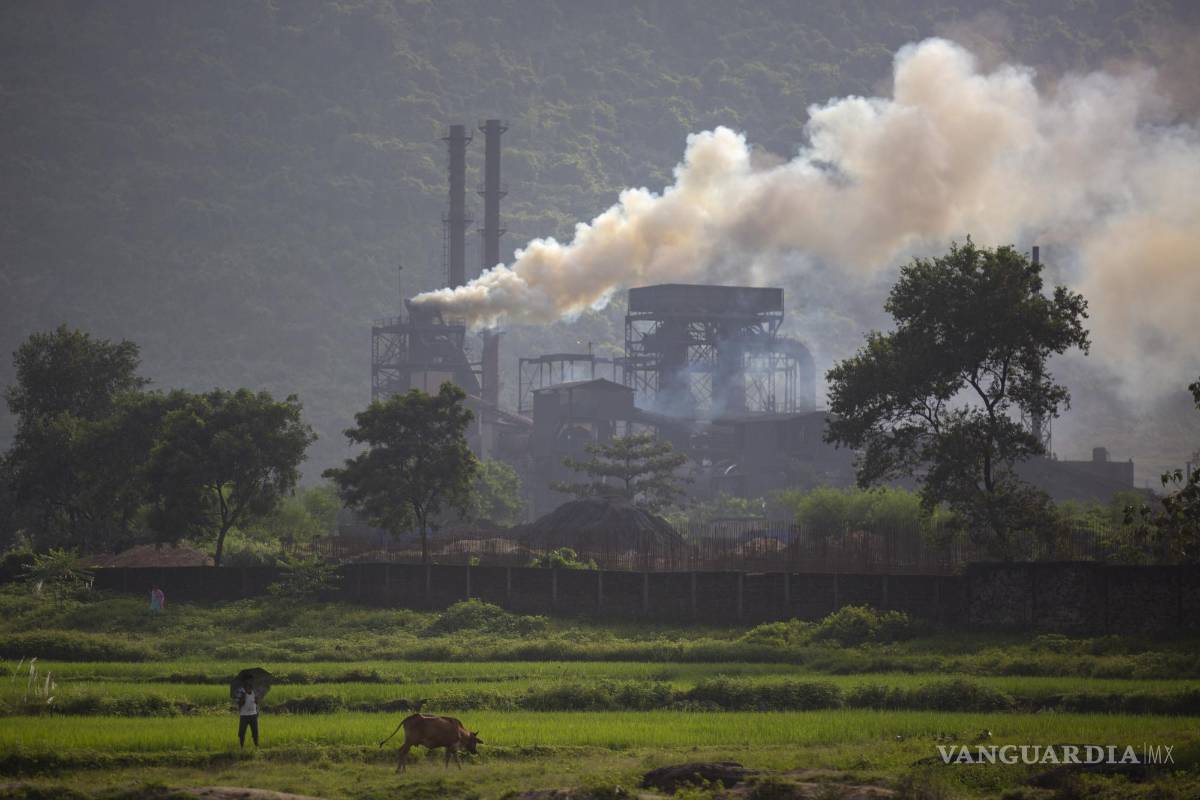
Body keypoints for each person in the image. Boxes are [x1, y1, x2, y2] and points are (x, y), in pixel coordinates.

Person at [235, 680, 260, 748]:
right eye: (247, 687)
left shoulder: (254, 693)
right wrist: (243, 698)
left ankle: (256, 746)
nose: (248, 688)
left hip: (253, 715)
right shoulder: (241, 693)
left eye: (250, 687)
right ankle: (241, 747)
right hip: (244, 716)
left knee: (255, 732)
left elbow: (257, 703)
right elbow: (239, 704)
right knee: (242, 733)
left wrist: (257, 700)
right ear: (245, 687)